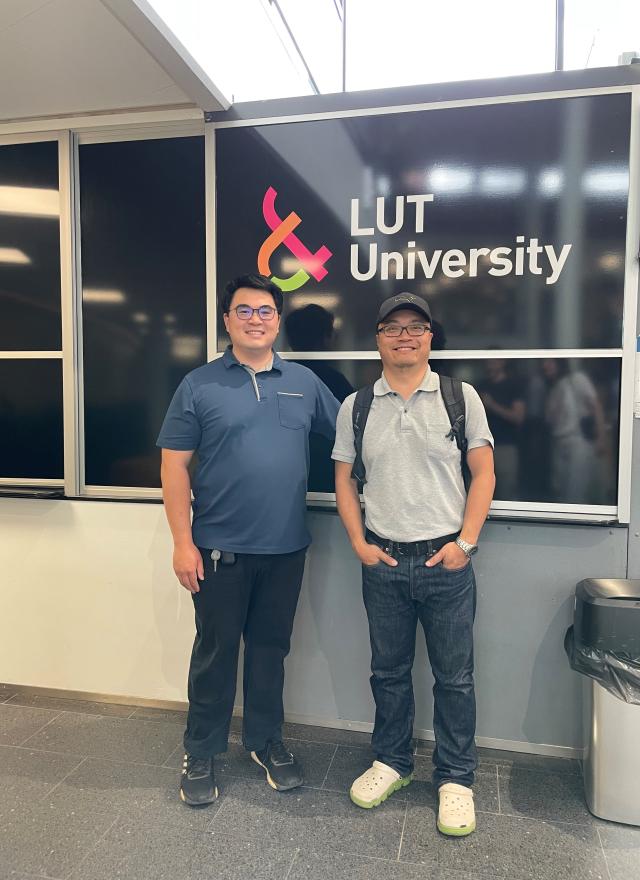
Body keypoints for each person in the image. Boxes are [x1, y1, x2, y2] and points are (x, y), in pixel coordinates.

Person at [157, 273, 340, 806]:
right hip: (218, 552)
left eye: (265, 310)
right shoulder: (199, 385)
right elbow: (174, 468)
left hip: (286, 550)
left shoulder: (304, 382)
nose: (255, 319)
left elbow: (354, 437)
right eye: (244, 310)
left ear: (277, 321)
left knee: (270, 651)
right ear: (226, 320)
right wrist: (181, 542)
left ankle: (265, 742)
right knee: (214, 654)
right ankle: (202, 749)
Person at [332, 292, 495, 836]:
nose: (405, 335)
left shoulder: (459, 396)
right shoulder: (356, 406)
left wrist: (465, 544)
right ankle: (393, 762)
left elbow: (484, 474)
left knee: (455, 679)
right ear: (377, 338)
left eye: (416, 327)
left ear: (430, 337)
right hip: (382, 559)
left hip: (444, 560)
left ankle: (455, 780)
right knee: (388, 673)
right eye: (393, 327)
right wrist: (358, 543)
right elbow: (343, 481)